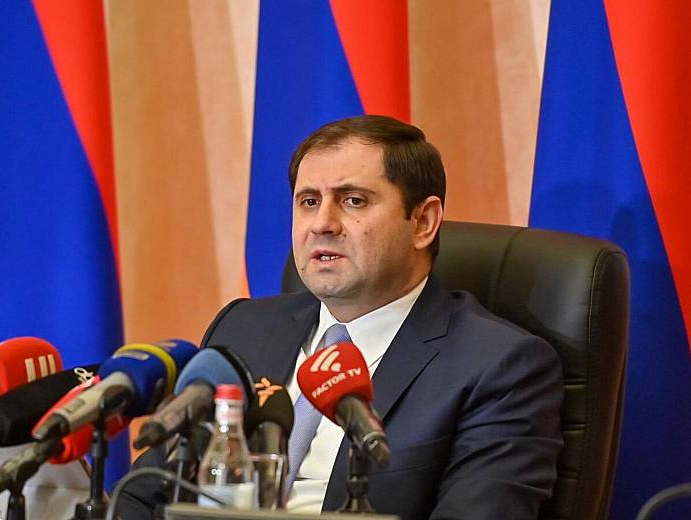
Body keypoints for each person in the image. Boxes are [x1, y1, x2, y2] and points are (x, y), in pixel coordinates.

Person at [122, 115, 562, 519]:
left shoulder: (498, 367)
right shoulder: (243, 329)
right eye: (308, 201)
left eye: (353, 201)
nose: (322, 224)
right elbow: (144, 494)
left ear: (423, 223)